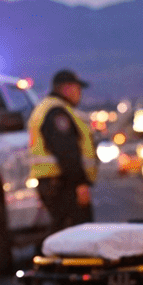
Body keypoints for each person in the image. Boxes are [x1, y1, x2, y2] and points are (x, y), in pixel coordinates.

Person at [28, 69, 96, 231]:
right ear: (66, 88)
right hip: (63, 184)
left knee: (63, 230)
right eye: (77, 89)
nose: (79, 94)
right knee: (78, 232)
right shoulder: (57, 112)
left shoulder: (47, 108)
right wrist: (79, 183)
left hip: (54, 182)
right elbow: (66, 150)